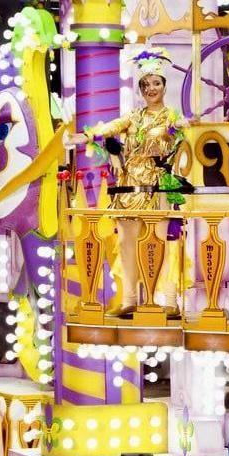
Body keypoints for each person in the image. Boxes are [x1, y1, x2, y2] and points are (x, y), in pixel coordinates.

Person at [70, 47, 189, 318]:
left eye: (156, 83)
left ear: (164, 86)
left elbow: (174, 144)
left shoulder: (172, 117)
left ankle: (169, 300)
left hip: (158, 187)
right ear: (140, 88)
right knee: (126, 243)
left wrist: (177, 132)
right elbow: (109, 128)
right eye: (145, 84)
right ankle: (130, 299)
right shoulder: (133, 117)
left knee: (163, 241)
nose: (151, 89)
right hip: (129, 186)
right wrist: (89, 136)